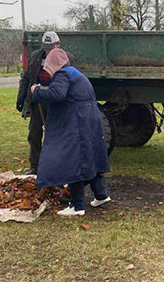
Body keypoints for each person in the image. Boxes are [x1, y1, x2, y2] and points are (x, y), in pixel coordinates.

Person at [30, 48, 110, 216]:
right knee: (89, 156)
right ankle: (101, 195)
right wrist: (53, 124)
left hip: (79, 120)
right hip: (89, 118)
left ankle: (77, 206)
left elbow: (57, 95)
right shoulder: (75, 73)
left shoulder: (62, 75)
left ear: (53, 63)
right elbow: (69, 101)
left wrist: (36, 91)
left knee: (74, 159)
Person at [16, 31, 64, 175]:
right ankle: (35, 166)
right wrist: (21, 98)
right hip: (39, 101)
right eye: (46, 48)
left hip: (56, 101)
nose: (48, 51)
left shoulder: (65, 59)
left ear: (58, 44)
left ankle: (57, 167)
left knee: (56, 135)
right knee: (34, 134)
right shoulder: (36, 56)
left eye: (51, 47)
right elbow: (27, 77)